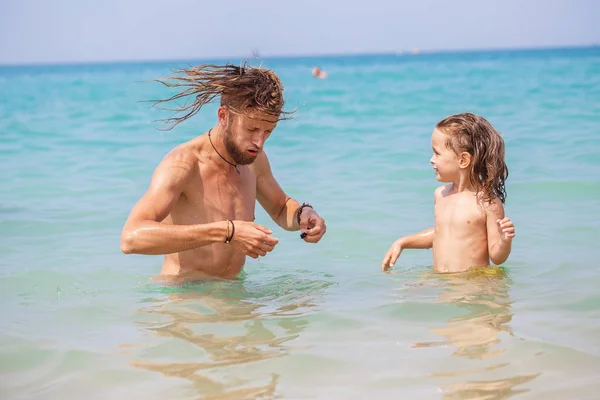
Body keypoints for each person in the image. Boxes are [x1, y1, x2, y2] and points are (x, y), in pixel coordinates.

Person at [120, 63, 327, 279]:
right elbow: (131, 238)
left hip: (234, 294)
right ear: (223, 116)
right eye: (251, 129)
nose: (259, 142)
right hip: (185, 299)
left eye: (268, 131)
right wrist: (227, 232)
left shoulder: (253, 159)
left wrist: (304, 214)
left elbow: (280, 207)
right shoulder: (183, 164)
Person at [381, 113, 515, 273]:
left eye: (437, 153)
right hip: (443, 283)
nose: (431, 159)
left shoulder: (487, 202)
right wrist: (403, 242)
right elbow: (441, 233)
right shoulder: (441, 195)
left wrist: (504, 240)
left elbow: (497, 257)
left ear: (463, 160)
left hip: (473, 284)